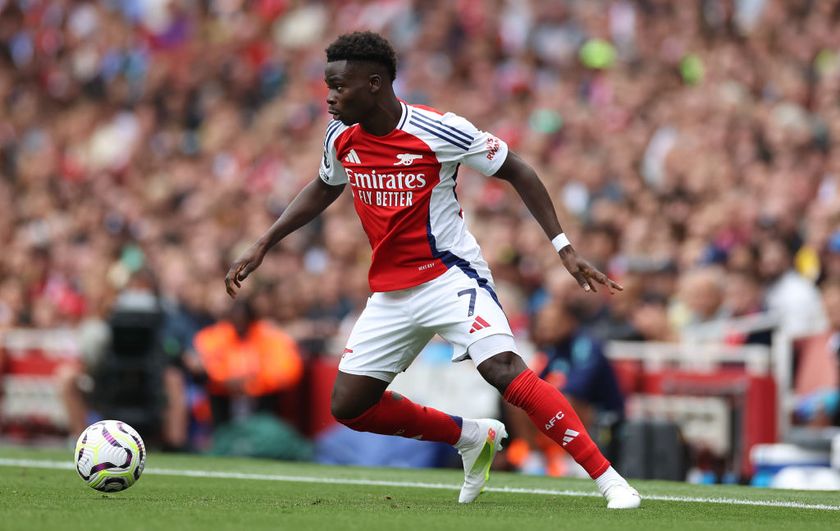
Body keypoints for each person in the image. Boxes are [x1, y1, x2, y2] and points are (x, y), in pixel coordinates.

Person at [225, 32, 639, 509]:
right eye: (328, 85)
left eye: (339, 86)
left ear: (375, 83)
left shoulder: (440, 130)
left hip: (449, 276)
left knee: (502, 368)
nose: (330, 96)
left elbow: (518, 169)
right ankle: (470, 437)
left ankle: (609, 479)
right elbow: (324, 186)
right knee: (349, 406)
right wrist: (264, 243)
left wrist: (563, 248)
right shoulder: (340, 135)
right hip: (391, 292)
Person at [192, 298, 303, 426]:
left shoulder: (268, 336)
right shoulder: (218, 336)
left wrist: (253, 383)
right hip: (225, 398)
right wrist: (224, 379)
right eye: (236, 321)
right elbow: (206, 361)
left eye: (244, 321)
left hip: (261, 399)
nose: (240, 326)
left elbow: (286, 369)